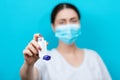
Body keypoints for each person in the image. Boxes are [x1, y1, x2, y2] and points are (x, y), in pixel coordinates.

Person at [20, 3, 112, 80]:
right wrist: (29, 64)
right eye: (62, 22)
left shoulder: (93, 57)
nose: (68, 26)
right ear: (53, 26)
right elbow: (28, 77)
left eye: (73, 20)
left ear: (79, 23)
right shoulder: (45, 58)